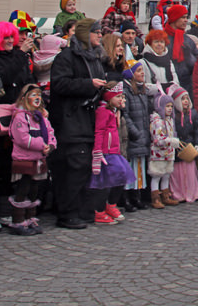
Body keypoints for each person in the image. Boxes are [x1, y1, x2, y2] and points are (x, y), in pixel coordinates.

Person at [48, 17, 114, 230]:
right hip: (70, 120)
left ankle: (80, 210)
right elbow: (59, 84)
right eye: (96, 32)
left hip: (88, 119)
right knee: (73, 168)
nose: (100, 36)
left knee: (84, 168)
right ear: (87, 34)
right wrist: (88, 84)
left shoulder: (94, 58)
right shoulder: (66, 57)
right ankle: (67, 213)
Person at [0, 21, 33, 233]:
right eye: (6, 38)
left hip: (16, 118)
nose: (11, 41)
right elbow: (4, 77)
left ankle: (5, 210)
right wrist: (21, 55)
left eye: (13, 37)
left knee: (9, 167)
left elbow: (26, 82)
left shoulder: (18, 58)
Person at [7, 84, 55, 236]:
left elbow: (50, 132)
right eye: (33, 95)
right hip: (25, 159)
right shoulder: (20, 117)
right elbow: (22, 138)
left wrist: (51, 145)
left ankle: (30, 218)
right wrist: (42, 144)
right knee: (23, 188)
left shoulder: (41, 117)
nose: (37, 98)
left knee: (35, 189)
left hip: (39, 159)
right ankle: (18, 220)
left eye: (39, 95)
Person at [90, 89, 134, 224]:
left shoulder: (115, 112)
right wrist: (97, 151)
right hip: (106, 152)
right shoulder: (103, 111)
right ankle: (99, 211)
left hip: (115, 151)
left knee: (123, 175)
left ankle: (111, 205)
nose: (122, 100)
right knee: (106, 182)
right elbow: (99, 131)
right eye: (119, 97)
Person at [121, 61, 152, 211]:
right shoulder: (126, 91)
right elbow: (125, 115)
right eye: (139, 70)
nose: (142, 73)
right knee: (130, 168)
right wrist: (135, 132)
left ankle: (137, 196)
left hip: (142, 135)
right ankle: (127, 198)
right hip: (134, 136)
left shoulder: (142, 90)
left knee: (139, 168)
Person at [147, 91, 181, 208]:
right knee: (157, 175)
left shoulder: (169, 120)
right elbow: (157, 139)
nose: (170, 109)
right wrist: (171, 141)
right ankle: (155, 198)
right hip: (158, 153)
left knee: (166, 174)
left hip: (168, 153)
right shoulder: (157, 121)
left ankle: (166, 196)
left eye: (171, 106)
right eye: (167, 106)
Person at [170, 87, 198, 203]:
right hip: (177, 149)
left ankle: (191, 193)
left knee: (190, 173)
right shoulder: (173, 115)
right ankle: (178, 193)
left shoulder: (193, 114)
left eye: (187, 99)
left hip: (189, 147)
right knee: (177, 173)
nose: (185, 101)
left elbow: (197, 130)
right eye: (182, 99)